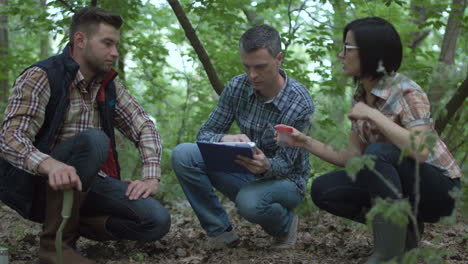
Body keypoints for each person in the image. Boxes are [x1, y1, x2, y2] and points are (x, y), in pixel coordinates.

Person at [275, 17, 462, 263]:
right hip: (401, 186)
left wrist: (373, 114)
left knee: (378, 152)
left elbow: (421, 150)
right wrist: (304, 142)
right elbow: (352, 158)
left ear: (372, 52)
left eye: (347, 48)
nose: (341, 55)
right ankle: (403, 234)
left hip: (441, 189)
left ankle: (387, 253)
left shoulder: (406, 91)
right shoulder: (361, 97)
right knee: (324, 189)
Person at [0, 7, 170, 264]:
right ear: (80, 40)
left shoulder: (108, 85)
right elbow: (10, 138)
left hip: (86, 184)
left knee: (155, 221)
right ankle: (56, 246)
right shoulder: (42, 76)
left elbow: (144, 125)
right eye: (107, 43)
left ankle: (71, 224)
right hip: (37, 186)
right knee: (94, 140)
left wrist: (150, 177)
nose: (115, 52)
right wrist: (49, 163)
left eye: (116, 45)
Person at [171, 24, 314, 249]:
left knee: (249, 202)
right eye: (246, 66)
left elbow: (287, 165)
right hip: (244, 170)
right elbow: (204, 133)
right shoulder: (237, 87)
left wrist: (266, 165)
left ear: (279, 59)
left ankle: (285, 225)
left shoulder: (299, 104)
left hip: (286, 182)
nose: (252, 75)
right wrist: (224, 139)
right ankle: (220, 233)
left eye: (260, 67)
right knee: (183, 154)